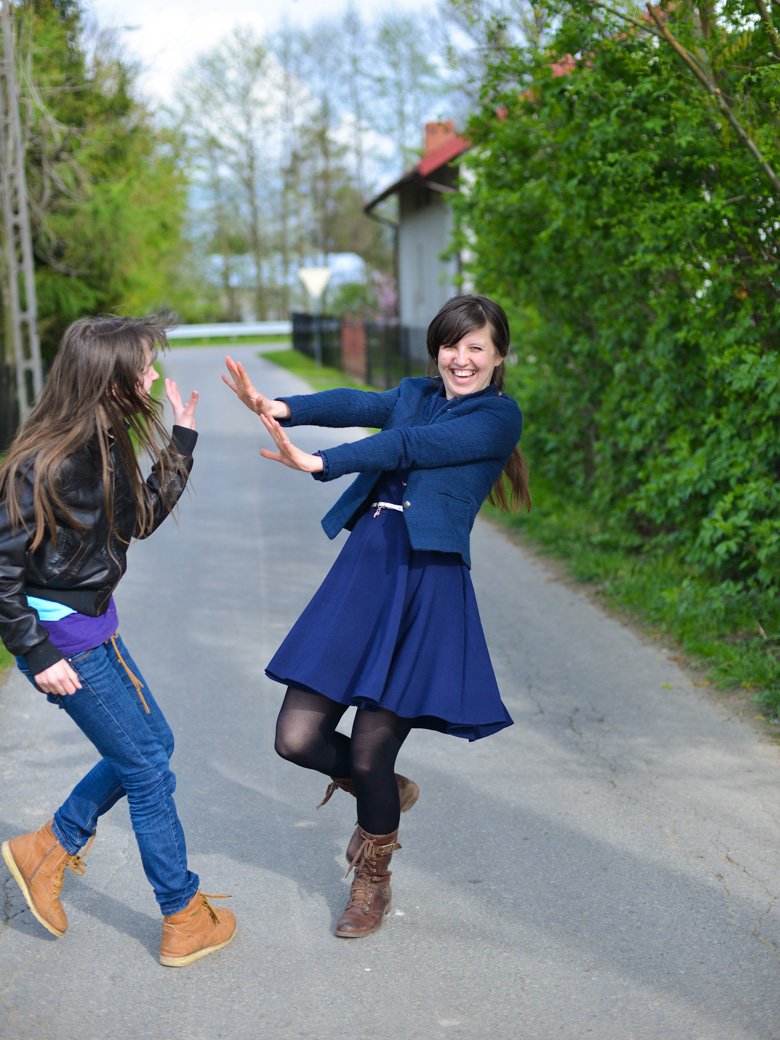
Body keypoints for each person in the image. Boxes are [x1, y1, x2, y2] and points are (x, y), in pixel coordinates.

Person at [223, 293, 530, 939]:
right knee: (296, 738)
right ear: (436, 349)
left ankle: (372, 879)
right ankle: (384, 790)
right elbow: (359, 404)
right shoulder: (416, 392)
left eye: (476, 347)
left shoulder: (499, 418)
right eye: (451, 345)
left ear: (499, 355)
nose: (462, 358)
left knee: (369, 753)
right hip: (365, 574)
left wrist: (322, 462)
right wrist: (280, 407)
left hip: (426, 587)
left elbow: (411, 445)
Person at [0, 315, 236, 967]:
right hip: (63, 640)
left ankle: (47, 849)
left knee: (154, 744)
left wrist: (181, 440)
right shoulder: (44, 462)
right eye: (143, 367)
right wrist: (36, 652)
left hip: (94, 625)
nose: (153, 376)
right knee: (148, 768)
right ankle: (182, 914)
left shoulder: (105, 438)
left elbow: (138, 520)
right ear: (110, 379)